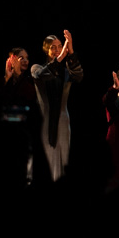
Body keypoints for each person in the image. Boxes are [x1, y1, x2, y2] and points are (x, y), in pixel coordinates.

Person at [30, 30, 82, 182]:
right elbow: (44, 75)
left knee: (64, 158)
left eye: (60, 46)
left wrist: (71, 52)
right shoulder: (37, 68)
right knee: (47, 159)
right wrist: (61, 57)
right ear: (46, 49)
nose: (58, 49)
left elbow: (78, 76)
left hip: (63, 118)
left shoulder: (66, 72)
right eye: (53, 47)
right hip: (45, 120)